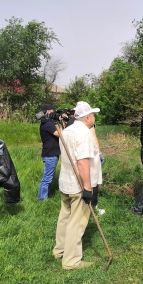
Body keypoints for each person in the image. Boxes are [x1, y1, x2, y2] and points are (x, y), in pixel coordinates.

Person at [52, 101, 101, 270]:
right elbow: (82, 162)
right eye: (93, 114)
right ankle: (71, 261)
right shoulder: (84, 133)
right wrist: (87, 188)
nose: (94, 117)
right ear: (87, 117)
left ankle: (60, 250)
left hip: (65, 183)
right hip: (78, 184)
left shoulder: (66, 131)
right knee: (77, 221)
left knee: (65, 216)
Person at [38, 104, 61, 201]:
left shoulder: (47, 122)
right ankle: (42, 199)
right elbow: (59, 134)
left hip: (50, 154)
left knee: (48, 177)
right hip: (50, 155)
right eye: (53, 111)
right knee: (47, 178)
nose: (54, 113)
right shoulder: (47, 123)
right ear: (48, 111)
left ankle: (43, 198)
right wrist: (61, 122)